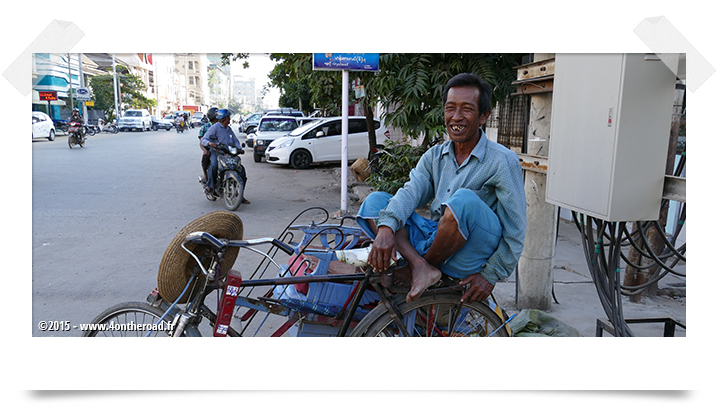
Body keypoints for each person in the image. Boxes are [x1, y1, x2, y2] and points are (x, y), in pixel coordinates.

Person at [357, 73, 527, 304]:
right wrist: (386, 227)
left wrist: (491, 275)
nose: (456, 117)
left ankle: (426, 265)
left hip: (470, 251)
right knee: (376, 202)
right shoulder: (435, 156)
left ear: (484, 116)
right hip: (436, 238)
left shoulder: (502, 161)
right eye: (450, 108)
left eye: (466, 109)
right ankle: (420, 266)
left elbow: (515, 230)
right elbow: (410, 193)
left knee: (463, 200)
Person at [200, 108, 250, 204]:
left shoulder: (228, 129)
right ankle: (210, 186)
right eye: (228, 118)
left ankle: (241, 194)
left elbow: (235, 140)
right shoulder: (214, 128)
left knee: (241, 170)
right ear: (223, 118)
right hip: (217, 152)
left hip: (228, 152)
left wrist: (239, 148)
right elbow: (204, 139)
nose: (229, 119)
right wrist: (210, 143)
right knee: (214, 165)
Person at [198, 107, 218, 184]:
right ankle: (206, 176)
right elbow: (201, 141)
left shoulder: (222, 126)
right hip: (210, 148)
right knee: (206, 158)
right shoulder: (205, 127)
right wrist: (205, 150)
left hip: (221, 148)